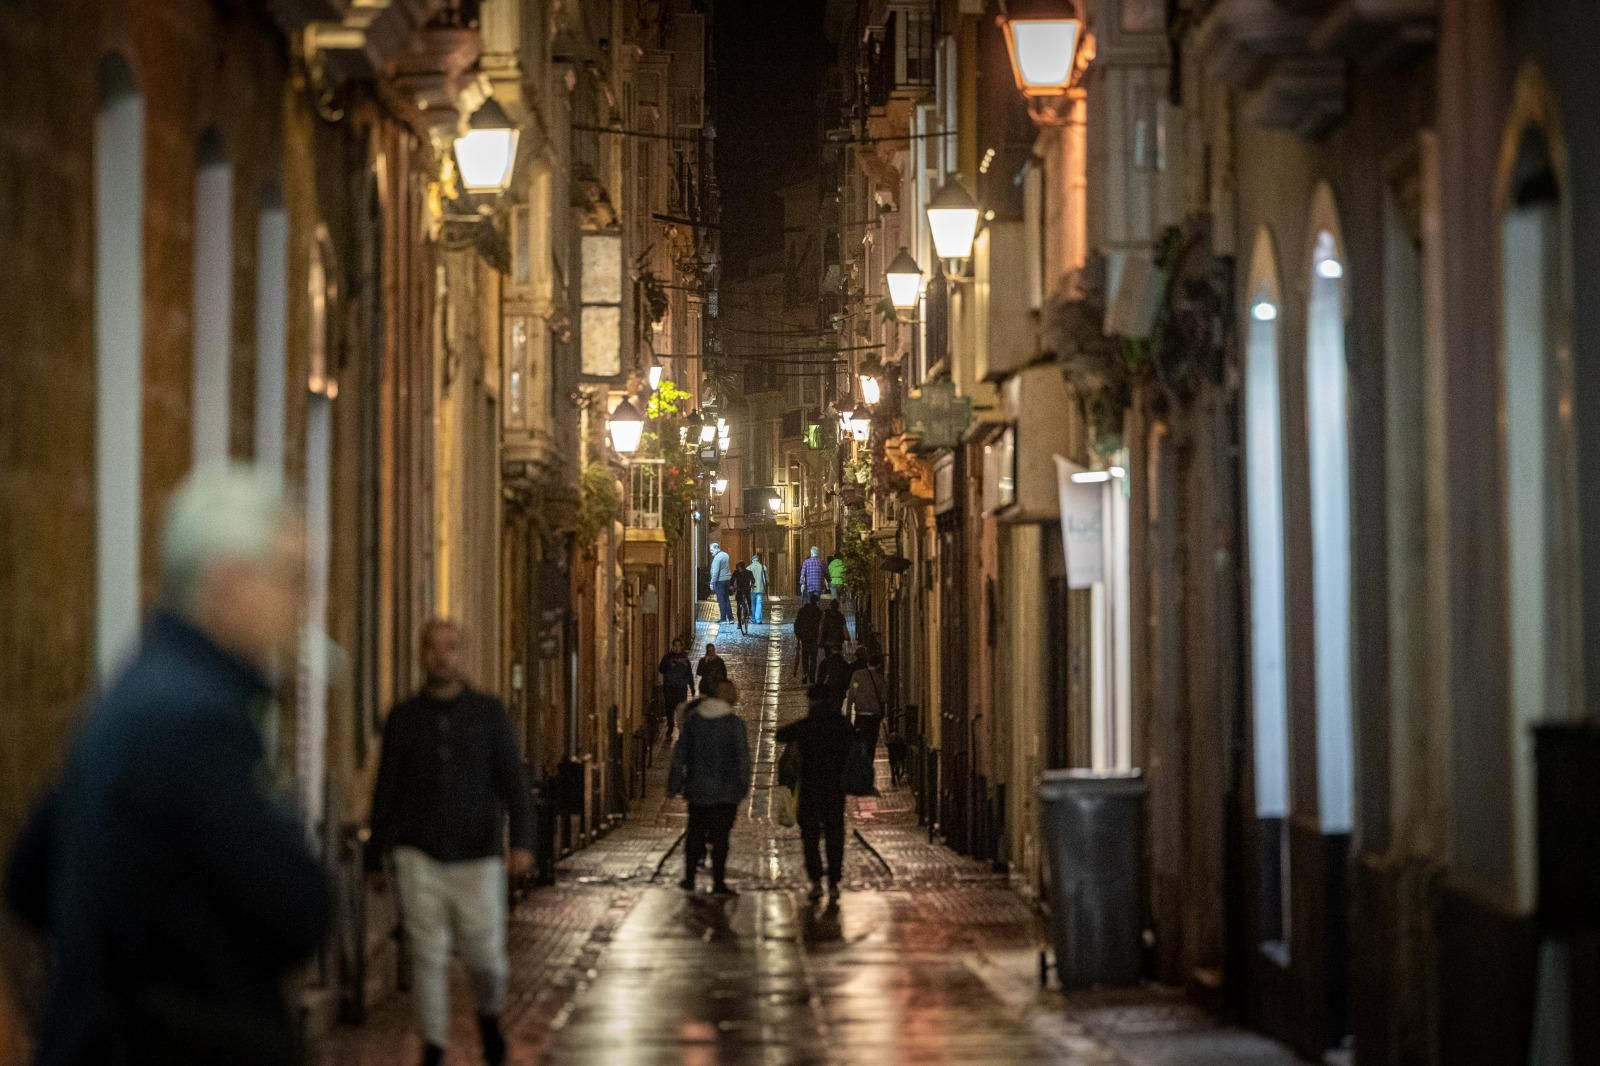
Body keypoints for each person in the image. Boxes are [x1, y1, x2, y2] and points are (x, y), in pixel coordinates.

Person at [3, 465, 333, 1066]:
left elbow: (31, 876)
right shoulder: (195, 720)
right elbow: (299, 907)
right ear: (229, 583)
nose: (304, 606)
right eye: (292, 580)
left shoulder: (136, 690)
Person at [368, 618, 532, 1066]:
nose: (442, 656)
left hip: (478, 855)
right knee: (427, 953)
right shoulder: (404, 719)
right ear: (422, 654)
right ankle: (434, 1045)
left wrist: (521, 841)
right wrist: (374, 856)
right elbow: (387, 788)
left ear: (462, 655)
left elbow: (512, 781)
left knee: (486, 958)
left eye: (451, 647)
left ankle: (488, 1015)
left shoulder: (488, 713)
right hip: (417, 854)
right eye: (434, 648)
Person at [668, 679, 751, 896]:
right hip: (726, 792)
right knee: (721, 837)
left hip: (697, 789)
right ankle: (718, 882)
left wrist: (675, 784)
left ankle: (689, 878)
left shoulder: (694, 720)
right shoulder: (734, 724)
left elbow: (680, 755)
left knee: (695, 832)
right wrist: (743, 785)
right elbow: (742, 759)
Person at [775, 684, 855, 903]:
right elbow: (855, 744)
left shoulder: (807, 725)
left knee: (810, 836)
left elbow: (781, 735)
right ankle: (834, 881)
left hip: (810, 787)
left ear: (810, 701)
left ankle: (816, 881)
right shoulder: (841, 725)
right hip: (835, 788)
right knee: (834, 834)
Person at [657, 638, 694, 744]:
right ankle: (670, 726)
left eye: (679, 645)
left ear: (681, 647)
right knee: (669, 709)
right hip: (669, 688)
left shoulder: (685, 659)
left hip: (681, 688)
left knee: (681, 710)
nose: (677, 648)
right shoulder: (667, 658)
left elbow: (689, 673)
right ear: (672, 646)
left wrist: (692, 687)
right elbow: (661, 669)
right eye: (675, 645)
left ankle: (681, 729)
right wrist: (669, 664)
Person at [793, 593, 823, 683]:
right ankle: (812, 677)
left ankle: (805, 674)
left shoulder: (802, 611)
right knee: (813, 658)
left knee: (805, 658)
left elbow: (797, 624)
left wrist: (798, 636)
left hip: (804, 638)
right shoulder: (818, 612)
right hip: (814, 638)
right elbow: (821, 626)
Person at [819, 645, 855, 712]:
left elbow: (820, 678)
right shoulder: (845, 664)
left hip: (827, 689)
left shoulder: (824, 663)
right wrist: (845, 688)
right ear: (840, 651)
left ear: (831, 650)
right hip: (840, 690)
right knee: (837, 709)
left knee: (827, 710)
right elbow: (848, 679)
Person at [709, 541, 733, 623]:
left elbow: (715, 571)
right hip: (727, 579)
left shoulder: (717, 558)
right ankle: (731, 618)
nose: (711, 552)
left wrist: (712, 582)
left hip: (720, 580)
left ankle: (723, 618)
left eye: (711, 550)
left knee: (721, 600)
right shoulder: (726, 555)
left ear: (716, 549)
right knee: (726, 599)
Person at [732, 561, 755, 635]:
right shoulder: (736, 573)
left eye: (740, 568)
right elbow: (732, 580)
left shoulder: (749, 572)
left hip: (746, 589)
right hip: (739, 590)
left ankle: (749, 611)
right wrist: (731, 586)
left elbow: (753, 580)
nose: (739, 569)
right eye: (738, 568)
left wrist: (752, 584)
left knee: (748, 600)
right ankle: (739, 622)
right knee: (739, 606)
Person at [748, 551, 769, 624]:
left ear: (752, 560)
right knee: (759, 604)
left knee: (752, 603)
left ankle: (753, 618)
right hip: (760, 588)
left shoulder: (749, 567)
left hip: (752, 588)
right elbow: (766, 579)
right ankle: (758, 619)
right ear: (758, 560)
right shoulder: (763, 567)